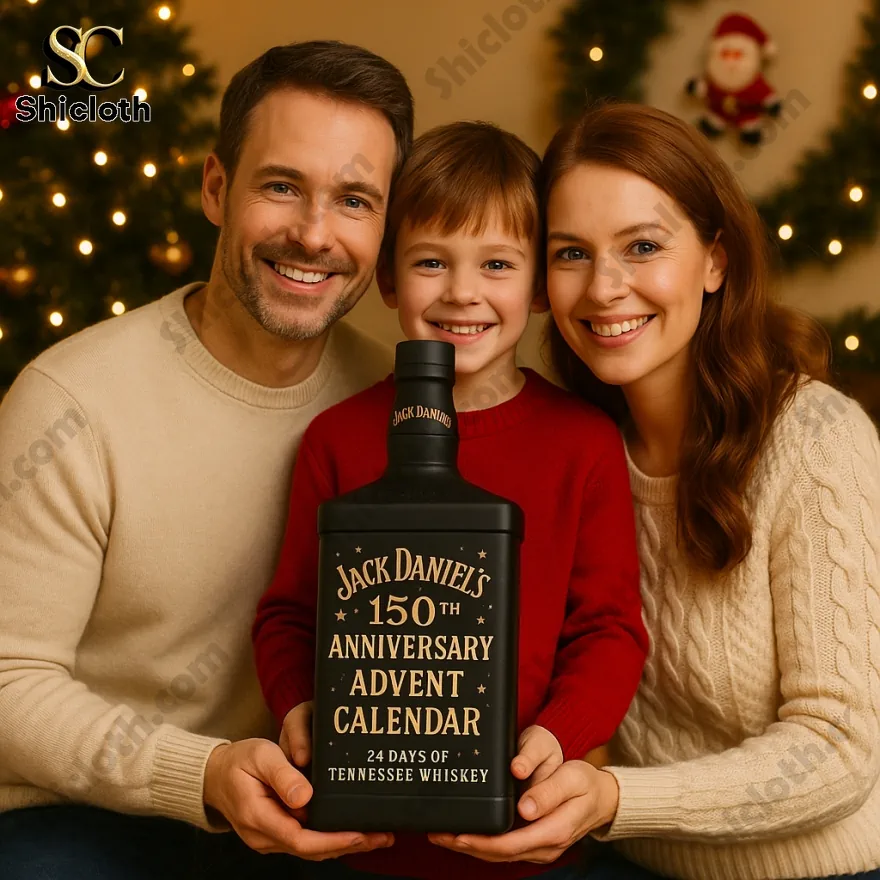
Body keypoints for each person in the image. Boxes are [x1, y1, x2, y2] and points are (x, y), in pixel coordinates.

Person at [423, 101, 880, 880]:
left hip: (816, 871)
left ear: (715, 261)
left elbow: (838, 749)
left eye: (642, 246)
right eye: (572, 253)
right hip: (618, 860)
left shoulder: (815, 441)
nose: (605, 288)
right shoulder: (569, 449)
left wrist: (615, 799)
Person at [0, 40, 413, 879]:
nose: (314, 234)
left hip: (305, 811)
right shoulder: (70, 403)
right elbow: (9, 682)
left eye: (354, 201)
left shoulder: (396, 403)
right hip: (78, 813)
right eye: (281, 186)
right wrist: (203, 773)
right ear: (217, 189)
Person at [251, 120, 650, 880]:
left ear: (539, 287)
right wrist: (301, 708)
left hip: (524, 835)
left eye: (496, 264)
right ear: (390, 279)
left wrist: (557, 739)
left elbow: (609, 629)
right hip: (359, 846)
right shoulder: (337, 439)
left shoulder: (583, 442)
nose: (463, 292)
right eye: (431, 261)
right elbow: (289, 615)